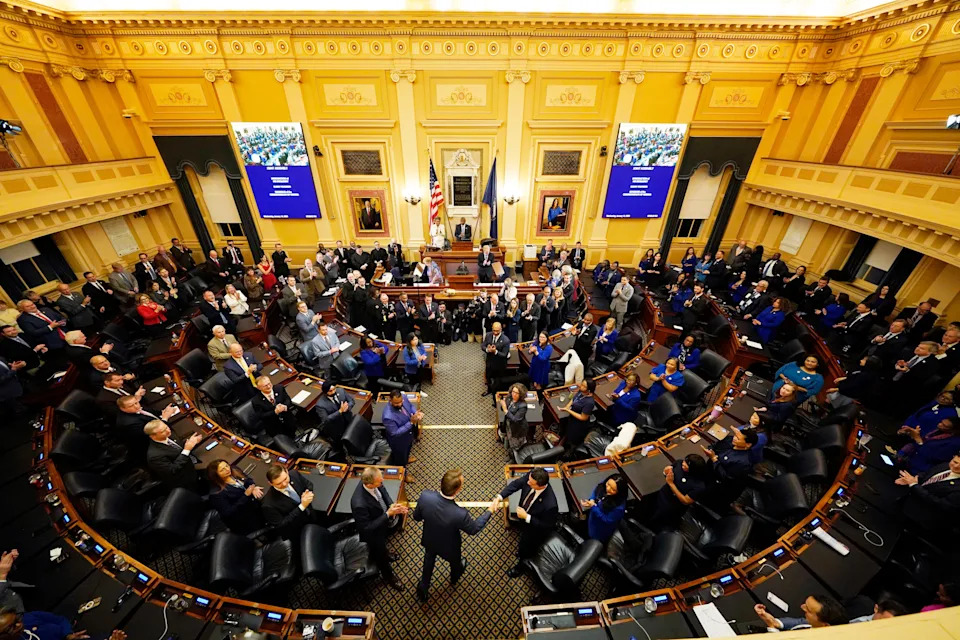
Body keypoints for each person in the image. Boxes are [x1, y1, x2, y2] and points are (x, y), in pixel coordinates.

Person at [412, 469, 500, 602]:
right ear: (457, 490)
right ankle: (454, 578)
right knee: (455, 563)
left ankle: (423, 588)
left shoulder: (425, 496)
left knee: (428, 560)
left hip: (430, 539)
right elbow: (474, 529)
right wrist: (490, 511)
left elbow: (416, 517)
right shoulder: (460, 514)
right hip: (450, 546)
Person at [351, 467, 407, 591]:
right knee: (380, 557)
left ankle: (386, 554)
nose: (382, 482)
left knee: (383, 546)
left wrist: (391, 505)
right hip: (373, 534)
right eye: (379, 482)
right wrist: (387, 514)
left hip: (381, 524)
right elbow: (366, 528)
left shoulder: (373, 479)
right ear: (370, 484)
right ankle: (389, 577)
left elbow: (383, 491)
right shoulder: (359, 504)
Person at [496, 468, 559, 577]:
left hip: (534, 530)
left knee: (526, 550)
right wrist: (500, 497)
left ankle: (520, 567)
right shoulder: (532, 476)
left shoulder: (550, 505)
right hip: (523, 520)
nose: (527, 482)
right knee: (522, 539)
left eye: (531, 483)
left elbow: (547, 526)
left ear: (541, 486)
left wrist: (527, 517)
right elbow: (516, 484)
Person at [896, 452, 960, 533]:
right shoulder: (945, 465)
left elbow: (939, 504)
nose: (955, 466)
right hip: (907, 502)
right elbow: (927, 474)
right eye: (955, 462)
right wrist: (915, 478)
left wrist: (914, 485)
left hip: (921, 520)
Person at [650, 454, 710, 529]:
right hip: (662, 494)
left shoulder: (699, 486)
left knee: (658, 521)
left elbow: (685, 501)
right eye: (684, 461)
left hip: (672, 507)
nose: (683, 464)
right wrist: (665, 472)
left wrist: (671, 484)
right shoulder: (679, 463)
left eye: (686, 465)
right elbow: (667, 474)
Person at [207, 459, 265, 534]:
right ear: (216, 475)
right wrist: (246, 495)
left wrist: (253, 487)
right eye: (222, 470)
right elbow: (229, 513)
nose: (227, 469)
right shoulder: (217, 494)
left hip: (253, 505)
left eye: (227, 466)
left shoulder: (234, 469)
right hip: (243, 518)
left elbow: (248, 479)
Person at [0, 607, 128, 640]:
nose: (19, 625)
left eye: (17, 620)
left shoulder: (29, 618)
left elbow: (60, 620)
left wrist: (68, 635)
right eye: (11, 627)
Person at [144, 420, 203, 492]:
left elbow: (177, 448)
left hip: (191, 469)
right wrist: (187, 449)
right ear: (153, 436)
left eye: (166, 427)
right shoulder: (154, 456)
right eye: (163, 431)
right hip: (184, 481)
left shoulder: (168, 435)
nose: (168, 431)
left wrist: (192, 442)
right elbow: (172, 470)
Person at [261, 465, 316, 540]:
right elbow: (282, 525)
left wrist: (308, 493)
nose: (284, 484)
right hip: (298, 530)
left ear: (287, 471)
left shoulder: (294, 474)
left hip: (311, 514)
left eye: (285, 479)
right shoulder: (268, 504)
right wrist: (302, 506)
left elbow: (309, 484)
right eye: (278, 483)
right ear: (270, 483)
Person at [382, 390, 422, 479]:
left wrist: (415, 413)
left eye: (401, 402)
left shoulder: (403, 397)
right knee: (400, 461)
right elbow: (395, 433)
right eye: (396, 403)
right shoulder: (388, 416)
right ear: (390, 400)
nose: (400, 404)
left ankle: (406, 458)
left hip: (408, 436)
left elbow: (410, 406)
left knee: (408, 450)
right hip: (399, 442)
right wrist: (411, 423)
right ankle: (404, 476)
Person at [753, 594, 848, 631]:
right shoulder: (817, 624)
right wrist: (775, 622)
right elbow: (800, 622)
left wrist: (772, 627)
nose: (802, 607)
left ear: (825, 626)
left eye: (808, 610)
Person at [580, 474, 628, 542]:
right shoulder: (606, 484)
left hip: (601, 527)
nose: (608, 489)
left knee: (594, 538)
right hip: (593, 519)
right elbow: (597, 490)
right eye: (608, 484)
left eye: (613, 489)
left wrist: (593, 506)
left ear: (619, 492)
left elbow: (607, 519)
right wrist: (591, 500)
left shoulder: (619, 508)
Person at [482, 321, 510, 396]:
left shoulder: (506, 340)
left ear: (501, 329)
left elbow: (504, 354)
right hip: (489, 362)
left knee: (498, 381)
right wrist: (487, 350)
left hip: (499, 364)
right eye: (494, 330)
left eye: (497, 330)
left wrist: (495, 352)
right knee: (488, 377)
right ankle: (489, 390)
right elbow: (483, 346)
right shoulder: (488, 335)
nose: (495, 332)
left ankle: (497, 394)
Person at [499, 383, 529, 453]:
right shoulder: (509, 397)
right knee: (510, 441)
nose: (514, 394)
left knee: (516, 446)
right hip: (508, 424)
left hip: (517, 429)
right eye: (513, 391)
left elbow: (516, 419)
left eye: (517, 393)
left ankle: (514, 459)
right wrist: (503, 405)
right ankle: (511, 454)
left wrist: (505, 409)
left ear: (521, 394)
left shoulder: (523, 405)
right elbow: (502, 408)